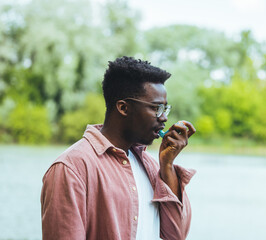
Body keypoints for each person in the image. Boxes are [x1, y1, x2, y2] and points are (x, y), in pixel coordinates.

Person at [41, 56, 196, 240]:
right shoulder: (72, 168)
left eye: (165, 109)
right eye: (156, 108)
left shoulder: (152, 166)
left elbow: (176, 235)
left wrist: (167, 166)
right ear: (123, 108)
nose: (163, 118)